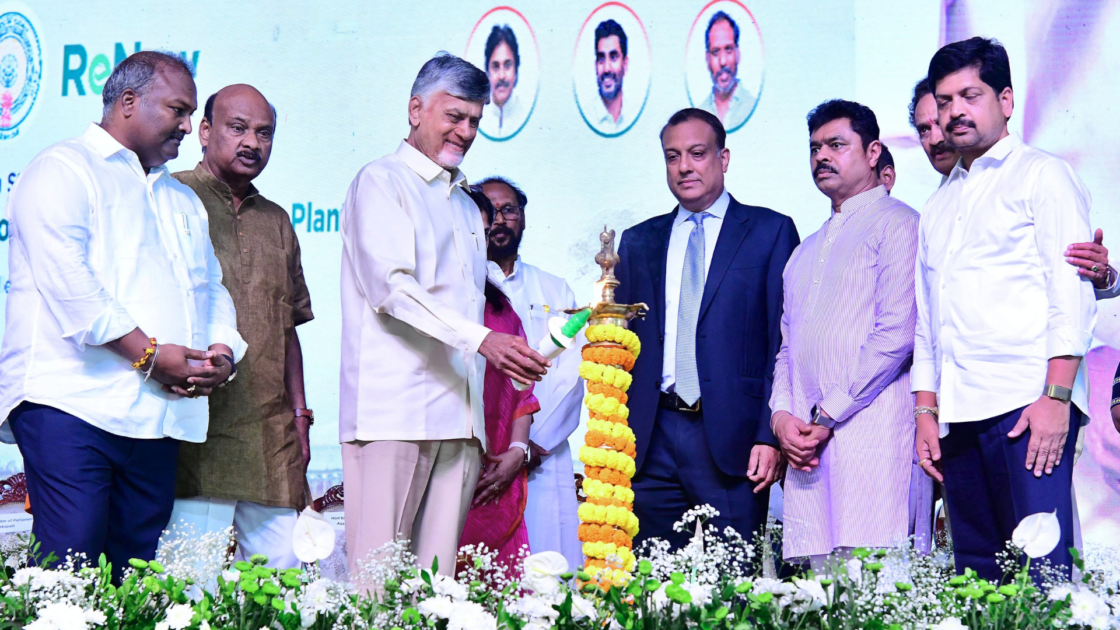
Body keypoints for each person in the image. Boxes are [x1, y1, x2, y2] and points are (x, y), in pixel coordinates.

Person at [0, 51, 245, 578]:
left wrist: (222, 353)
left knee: (133, 576)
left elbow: (211, 289)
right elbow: (72, 287)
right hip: (69, 404)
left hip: (155, 416)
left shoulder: (180, 198)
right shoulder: (61, 169)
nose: (188, 126)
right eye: (178, 110)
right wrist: (152, 357)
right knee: (70, 565)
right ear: (129, 102)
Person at [339, 53, 549, 585]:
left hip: (461, 419)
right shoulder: (381, 182)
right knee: (377, 585)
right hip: (394, 413)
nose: (467, 131)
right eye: (454, 116)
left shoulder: (463, 205)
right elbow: (391, 287)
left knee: (437, 589)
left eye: (476, 120)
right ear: (416, 109)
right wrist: (484, 341)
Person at [913, 37, 1096, 581]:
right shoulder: (938, 205)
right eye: (944, 101)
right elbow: (930, 321)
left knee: (1043, 574)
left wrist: (1055, 398)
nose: (955, 112)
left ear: (1006, 100)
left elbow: (1070, 293)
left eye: (970, 94)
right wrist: (926, 412)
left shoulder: (1044, 175)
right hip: (958, 417)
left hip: (1026, 408)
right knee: (978, 578)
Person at [615, 109, 797, 549]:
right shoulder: (638, 241)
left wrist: (766, 434)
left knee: (733, 588)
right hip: (651, 435)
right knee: (652, 591)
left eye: (697, 154)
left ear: (724, 157)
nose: (684, 167)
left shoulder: (770, 232)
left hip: (733, 440)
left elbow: (783, 343)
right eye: (672, 156)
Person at [771, 100, 928, 566]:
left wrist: (825, 416)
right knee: (821, 599)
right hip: (808, 453)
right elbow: (787, 349)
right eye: (815, 147)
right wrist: (782, 418)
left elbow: (897, 334)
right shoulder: (804, 251)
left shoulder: (899, 223)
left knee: (879, 588)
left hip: (873, 441)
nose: (822, 156)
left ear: (874, 151)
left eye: (837, 145)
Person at [168, 85, 314, 568]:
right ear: (204, 132)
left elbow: (288, 327)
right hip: (194, 429)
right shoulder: (172, 196)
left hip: (271, 438)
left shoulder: (276, 221)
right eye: (238, 128)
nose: (252, 141)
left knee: (283, 593)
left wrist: (300, 416)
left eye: (264, 133)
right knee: (190, 591)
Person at [909, 77, 1116, 297]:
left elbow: (1078, 281)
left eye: (940, 122)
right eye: (923, 129)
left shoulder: (1035, 177)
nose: (934, 139)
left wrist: (1103, 275)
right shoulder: (934, 209)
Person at [478, 176, 584, 570]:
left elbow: (571, 374)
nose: (500, 220)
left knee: (548, 570)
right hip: (482, 457)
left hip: (543, 454)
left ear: (523, 218)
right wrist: (501, 449)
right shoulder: (460, 287)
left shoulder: (554, 290)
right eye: (491, 211)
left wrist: (528, 446)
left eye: (509, 210)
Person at [457, 188, 540, 573]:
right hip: (442, 464)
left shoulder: (501, 308)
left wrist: (517, 452)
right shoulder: (433, 302)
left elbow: (524, 391)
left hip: (495, 476)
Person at [698, 11, 756, 131]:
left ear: (738, 54)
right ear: (707, 59)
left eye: (728, 49)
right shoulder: (698, 115)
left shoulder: (752, 106)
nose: (723, 61)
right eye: (715, 52)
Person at [481, 25, 523, 138]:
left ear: (516, 70)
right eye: (495, 66)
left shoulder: (523, 116)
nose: (501, 76)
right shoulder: (480, 120)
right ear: (487, 72)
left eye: (507, 65)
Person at [592, 19, 629, 132]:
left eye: (613, 57)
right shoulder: (588, 115)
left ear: (625, 64)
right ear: (595, 65)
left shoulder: (632, 114)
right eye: (601, 59)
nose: (607, 68)